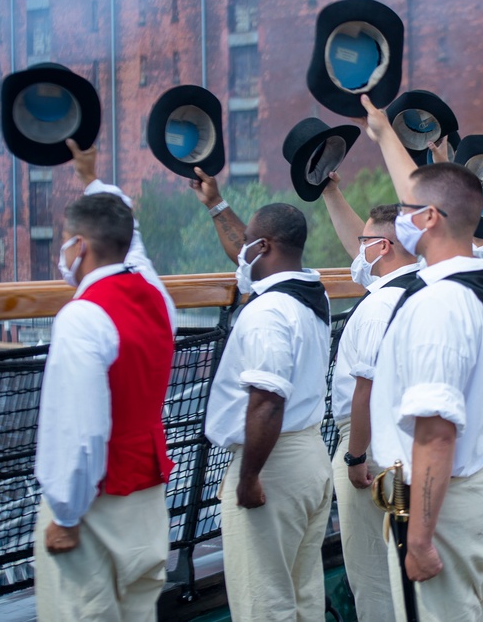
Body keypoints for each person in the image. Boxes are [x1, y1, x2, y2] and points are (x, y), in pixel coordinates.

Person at [359, 94, 483, 621]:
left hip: (444, 510)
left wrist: (422, 538)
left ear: (429, 218)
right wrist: (384, 133)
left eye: (407, 213)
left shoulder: (438, 306)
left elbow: (435, 432)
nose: (399, 220)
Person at [34, 140, 176, 622]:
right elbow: (131, 245)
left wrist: (66, 517)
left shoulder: (82, 318)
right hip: (147, 506)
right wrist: (93, 179)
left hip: (95, 513)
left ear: (80, 246)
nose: (62, 250)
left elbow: (82, 431)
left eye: (65, 239)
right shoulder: (158, 300)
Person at [198, 192, 333, 621]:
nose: (242, 251)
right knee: (302, 592)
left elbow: (267, 403)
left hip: (272, 462)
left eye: (249, 243)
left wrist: (249, 476)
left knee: (264, 602)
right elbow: (249, 254)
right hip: (310, 455)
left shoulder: (268, 312)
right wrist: (216, 204)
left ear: (266, 247)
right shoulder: (312, 294)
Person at [320, 173, 421, 621]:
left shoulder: (377, 307)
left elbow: (365, 392)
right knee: (411, 563)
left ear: (382, 249)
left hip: (375, 450)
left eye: (364, 242)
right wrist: (330, 192)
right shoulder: (434, 293)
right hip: (420, 443)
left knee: (373, 570)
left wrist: (354, 457)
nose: (356, 250)